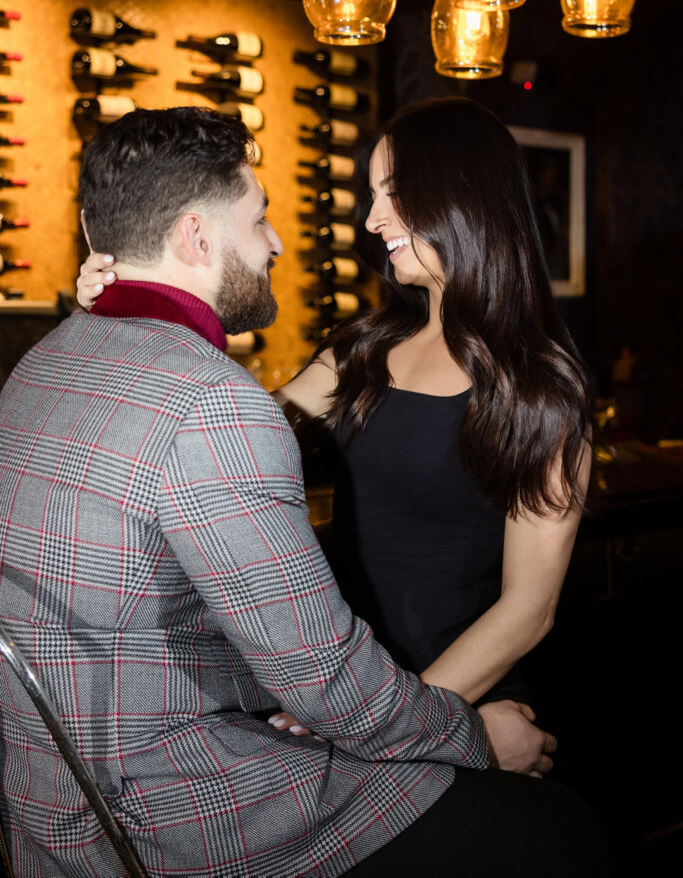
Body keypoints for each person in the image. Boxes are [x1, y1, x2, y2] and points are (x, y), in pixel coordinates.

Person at [44, 105, 608, 877]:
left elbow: (527, 608)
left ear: (462, 194)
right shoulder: (362, 349)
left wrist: (401, 722)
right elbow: (217, 445)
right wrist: (124, 311)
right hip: (335, 689)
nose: (371, 217)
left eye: (391, 192)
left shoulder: (543, 390)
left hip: (445, 692)